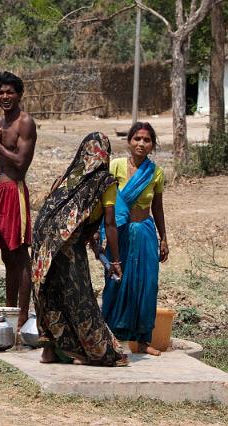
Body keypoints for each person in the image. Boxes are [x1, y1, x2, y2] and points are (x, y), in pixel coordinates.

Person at [31, 132, 128, 367]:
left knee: (50, 293)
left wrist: (92, 239)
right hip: (65, 243)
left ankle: (50, 351)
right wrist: (116, 261)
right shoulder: (105, 181)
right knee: (79, 297)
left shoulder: (69, 177)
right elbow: (110, 223)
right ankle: (97, 351)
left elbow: (77, 216)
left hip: (42, 241)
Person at [101, 122, 168, 356]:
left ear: (152, 145)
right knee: (116, 283)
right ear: (129, 141)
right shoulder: (115, 166)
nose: (141, 143)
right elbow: (103, 201)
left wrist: (163, 238)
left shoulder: (155, 172)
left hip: (145, 232)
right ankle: (107, 336)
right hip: (118, 234)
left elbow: (157, 207)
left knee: (147, 285)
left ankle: (141, 341)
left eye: (147, 140)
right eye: (137, 138)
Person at [0, 71, 36, 330]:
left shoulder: (25, 122)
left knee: (20, 254)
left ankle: (23, 315)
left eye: (9, 92)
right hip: (0, 193)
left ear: (19, 94)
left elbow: (21, 163)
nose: (5, 97)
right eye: (0, 92)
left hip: (15, 192)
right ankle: (10, 310)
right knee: (6, 256)